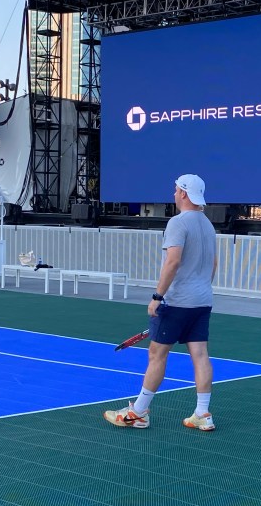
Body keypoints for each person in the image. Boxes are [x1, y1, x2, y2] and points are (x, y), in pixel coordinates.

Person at [104, 174, 218, 431]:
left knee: (157, 354)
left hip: (177, 302)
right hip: (202, 300)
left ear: (184, 194)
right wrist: (199, 289)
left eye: (176, 190)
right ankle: (202, 413)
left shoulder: (178, 223)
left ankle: (139, 413)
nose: (174, 194)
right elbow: (213, 264)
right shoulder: (208, 225)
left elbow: (173, 261)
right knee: (200, 354)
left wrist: (157, 296)